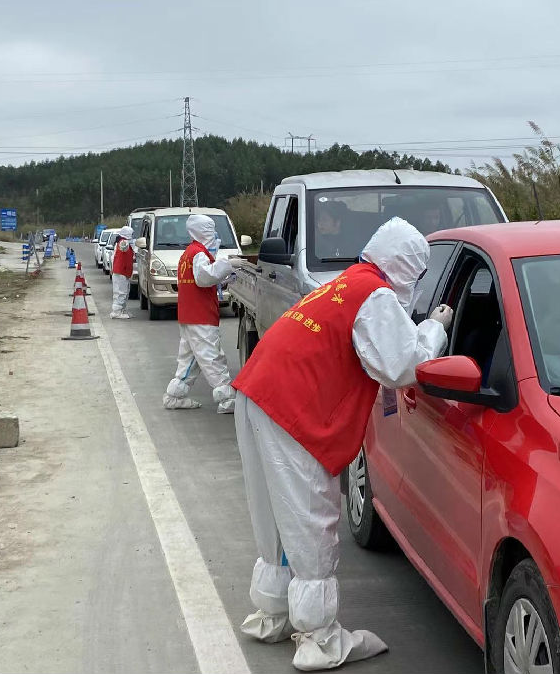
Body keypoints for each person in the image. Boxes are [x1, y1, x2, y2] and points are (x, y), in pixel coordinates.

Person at [232, 217, 454, 671]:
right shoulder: (376, 296)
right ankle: (319, 637)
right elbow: (402, 365)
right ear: (408, 268)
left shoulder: (347, 282)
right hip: (292, 409)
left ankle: (274, 612)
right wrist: (434, 327)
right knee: (310, 516)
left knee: (275, 514)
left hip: (257, 390)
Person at [162, 214, 237, 413]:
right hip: (200, 315)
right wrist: (228, 264)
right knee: (212, 357)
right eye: (210, 230)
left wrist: (224, 279)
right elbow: (204, 278)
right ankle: (228, 400)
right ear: (204, 231)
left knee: (190, 359)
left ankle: (174, 397)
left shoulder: (189, 253)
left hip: (189, 314)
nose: (213, 234)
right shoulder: (199, 253)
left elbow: (199, 281)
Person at [110, 225, 135, 319]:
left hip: (122, 272)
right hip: (121, 272)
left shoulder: (122, 242)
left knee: (123, 292)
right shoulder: (123, 243)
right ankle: (116, 312)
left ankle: (121, 310)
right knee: (120, 292)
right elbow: (123, 247)